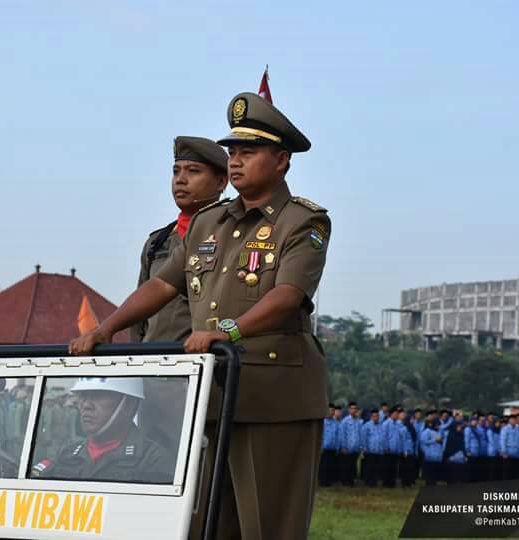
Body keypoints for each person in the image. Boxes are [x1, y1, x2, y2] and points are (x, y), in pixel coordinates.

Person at [70, 91, 330, 540]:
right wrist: (105, 329)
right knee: (205, 524)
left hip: (271, 399)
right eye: (232, 152)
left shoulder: (302, 222)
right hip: (208, 398)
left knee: (268, 527)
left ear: (282, 160)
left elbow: (288, 296)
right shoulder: (210, 223)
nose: (236, 162)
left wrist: (224, 331)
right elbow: (161, 285)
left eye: (249, 152)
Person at [130, 136, 228, 344]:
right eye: (176, 171)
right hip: (153, 363)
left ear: (221, 181)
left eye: (193, 171)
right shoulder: (158, 242)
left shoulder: (233, 235)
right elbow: (138, 321)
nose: (180, 179)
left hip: (207, 364)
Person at [31, 378, 174, 483]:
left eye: (98, 395)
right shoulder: (65, 453)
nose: (86, 405)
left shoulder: (154, 459)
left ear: (128, 405)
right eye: (83, 397)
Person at [338, 402, 362, 487]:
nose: (354, 410)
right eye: (352, 408)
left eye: (355, 408)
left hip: (355, 448)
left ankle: (352, 482)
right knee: (346, 466)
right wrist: (343, 447)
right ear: (349, 410)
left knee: (353, 466)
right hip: (347, 448)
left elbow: (360, 435)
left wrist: (360, 446)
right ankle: (345, 482)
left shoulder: (358, 421)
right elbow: (342, 435)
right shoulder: (345, 421)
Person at [319, 404, 339, 487]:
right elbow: (319, 435)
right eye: (329, 410)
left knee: (331, 466)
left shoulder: (336, 423)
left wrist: (337, 447)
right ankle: (322, 482)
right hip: (324, 448)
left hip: (332, 448)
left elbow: (338, 436)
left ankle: (329, 482)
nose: (331, 412)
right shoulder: (322, 422)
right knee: (323, 466)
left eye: (332, 411)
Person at [361, 410, 383, 487]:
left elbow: (381, 438)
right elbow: (364, 438)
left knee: (376, 468)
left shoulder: (380, 426)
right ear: (371, 417)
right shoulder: (366, 426)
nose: (376, 418)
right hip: (369, 451)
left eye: (377, 416)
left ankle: (374, 482)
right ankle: (368, 482)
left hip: (378, 451)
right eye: (374, 416)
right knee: (369, 468)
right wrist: (364, 448)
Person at [420, 419, 445, 486]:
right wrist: (434, 440)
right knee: (429, 474)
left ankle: (434, 484)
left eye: (439, 425)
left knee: (435, 474)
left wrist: (441, 442)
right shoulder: (427, 431)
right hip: (429, 455)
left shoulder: (439, 432)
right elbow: (423, 441)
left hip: (437, 456)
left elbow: (441, 442)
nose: (438, 427)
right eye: (437, 425)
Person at [381, 407, 401, 488]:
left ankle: (392, 483)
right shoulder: (386, 424)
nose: (397, 415)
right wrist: (385, 447)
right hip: (388, 450)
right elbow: (384, 437)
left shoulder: (398, 424)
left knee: (394, 467)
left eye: (397, 414)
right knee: (387, 467)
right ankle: (386, 483)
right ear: (391, 414)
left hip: (395, 449)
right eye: (395, 414)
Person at [398, 410, 417, 487]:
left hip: (411, 450)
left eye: (414, 419)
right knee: (405, 467)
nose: (413, 420)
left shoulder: (412, 429)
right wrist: (405, 450)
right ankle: (404, 482)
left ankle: (409, 482)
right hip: (405, 451)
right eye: (412, 419)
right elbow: (403, 440)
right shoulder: (404, 429)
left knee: (410, 467)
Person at [500, 415, 519, 480]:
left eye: (515, 420)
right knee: (507, 472)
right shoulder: (505, 429)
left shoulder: (518, 429)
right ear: (509, 421)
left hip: (517, 453)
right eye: (512, 420)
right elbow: (503, 441)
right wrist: (504, 452)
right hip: (508, 454)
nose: (513, 421)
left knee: (515, 472)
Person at [464, 416, 482, 482]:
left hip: (476, 451)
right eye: (473, 421)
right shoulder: (468, 429)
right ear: (470, 421)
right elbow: (466, 440)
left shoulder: (477, 429)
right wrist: (467, 451)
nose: (474, 422)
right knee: (469, 468)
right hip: (470, 451)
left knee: (475, 468)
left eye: (475, 421)